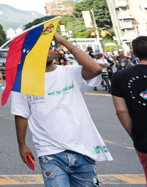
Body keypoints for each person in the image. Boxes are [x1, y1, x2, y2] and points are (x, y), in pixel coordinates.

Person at [13, 33, 111, 187]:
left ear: (55, 50)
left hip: (83, 150)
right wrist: (22, 144)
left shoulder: (71, 72)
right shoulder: (24, 81)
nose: (46, 51)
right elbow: (21, 114)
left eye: (49, 47)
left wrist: (64, 41)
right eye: (40, 49)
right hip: (50, 153)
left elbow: (96, 69)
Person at [111, 36, 147, 181]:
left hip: (144, 139)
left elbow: (121, 111)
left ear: (134, 53)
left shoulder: (120, 76)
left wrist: (135, 134)